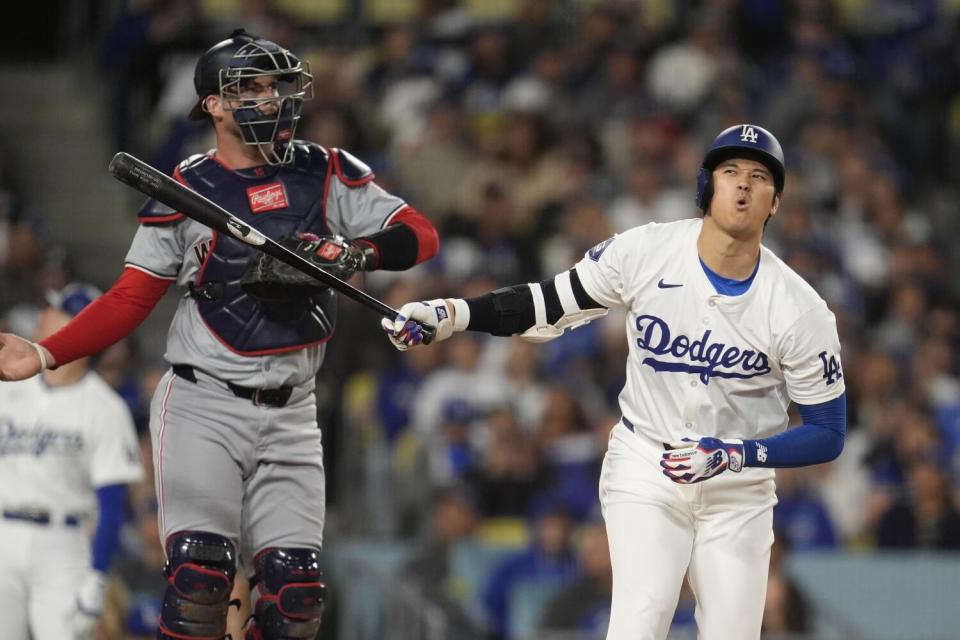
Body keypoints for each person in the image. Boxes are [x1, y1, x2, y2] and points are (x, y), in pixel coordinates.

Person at [0, 29, 439, 639]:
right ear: (213, 104)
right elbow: (131, 297)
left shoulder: (325, 169)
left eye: (278, 85)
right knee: (200, 582)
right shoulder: (184, 188)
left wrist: (356, 250)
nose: (273, 99)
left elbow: (419, 233)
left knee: (297, 600)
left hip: (293, 410)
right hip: (204, 402)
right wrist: (47, 350)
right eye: (251, 88)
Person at [382, 124, 847, 640]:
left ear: (775, 201)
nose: (742, 185)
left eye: (759, 177)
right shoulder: (645, 251)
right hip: (647, 463)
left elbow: (828, 432)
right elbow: (547, 304)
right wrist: (452, 313)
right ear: (705, 185)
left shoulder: (800, 309)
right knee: (639, 621)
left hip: (737, 485)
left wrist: (738, 455)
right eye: (730, 171)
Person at [0, 283, 144, 639]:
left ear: (75, 327)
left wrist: (96, 579)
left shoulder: (106, 408)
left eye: (56, 310)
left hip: (62, 545)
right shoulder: (7, 386)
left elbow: (111, 508)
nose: (44, 315)